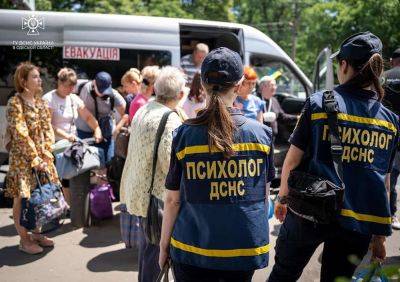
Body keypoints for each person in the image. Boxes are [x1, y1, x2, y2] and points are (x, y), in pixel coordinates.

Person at [269, 32, 399, 282]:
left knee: (283, 275)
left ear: (344, 65)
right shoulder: (390, 122)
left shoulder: (318, 104)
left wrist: (282, 199)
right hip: (357, 221)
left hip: (308, 212)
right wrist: (380, 236)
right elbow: (384, 180)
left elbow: (292, 160)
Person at [159, 47, 275, 281]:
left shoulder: (184, 135)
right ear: (239, 85)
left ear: (202, 84)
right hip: (242, 249)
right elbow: (263, 197)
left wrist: (163, 246)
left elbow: (172, 200)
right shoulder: (262, 135)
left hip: (193, 249)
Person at [119, 66, 185, 282]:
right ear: (181, 95)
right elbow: (171, 163)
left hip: (139, 191)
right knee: (155, 256)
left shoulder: (144, 109)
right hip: (156, 198)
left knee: (148, 250)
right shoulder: (170, 119)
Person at [6, 62, 60, 254]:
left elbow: (48, 129)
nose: (40, 80)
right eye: (35, 77)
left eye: (39, 76)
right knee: (21, 199)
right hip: (22, 160)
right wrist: (35, 158)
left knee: (41, 196)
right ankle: (24, 240)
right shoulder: (15, 103)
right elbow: (20, 134)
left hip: (41, 159)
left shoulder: (41, 103)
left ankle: (37, 234)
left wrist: (46, 153)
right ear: (23, 81)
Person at [43, 68, 102, 205]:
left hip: (70, 144)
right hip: (55, 144)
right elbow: (47, 124)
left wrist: (97, 128)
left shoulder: (73, 98)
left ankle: (72, 207)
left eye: (72, 85)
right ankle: (65, 207)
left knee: (72, 177)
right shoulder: (49, 99)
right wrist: (66, 135)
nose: (70, 88)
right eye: (67, 85)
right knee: (61, 178)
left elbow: (87, 116)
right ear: (59, 82)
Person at [76, 71, 126, 164]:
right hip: (84, 133)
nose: (103, 93)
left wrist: (117, 129)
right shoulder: (81, 86)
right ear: (94, 83)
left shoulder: (114, 96)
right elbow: (65, 88)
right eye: (101, 90)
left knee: (108, 162)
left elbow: (126, 115)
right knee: (83, 164)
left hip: (105, 135)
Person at [383, 48, 400, 230]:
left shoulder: (383, 76)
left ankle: (390, 215)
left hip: (388, 133)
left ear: (392, 60)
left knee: (389, 177)